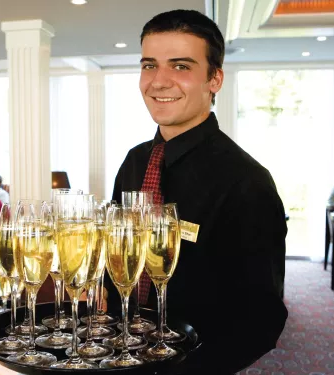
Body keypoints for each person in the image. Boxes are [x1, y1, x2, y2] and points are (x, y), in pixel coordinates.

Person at [109, 10, 287, 374]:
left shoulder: (246, 181)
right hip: (118, 358)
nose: (159, 81)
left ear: (215, 79)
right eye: (149, 65)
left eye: (180, 66)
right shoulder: (134, 162)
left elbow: (262, 320)